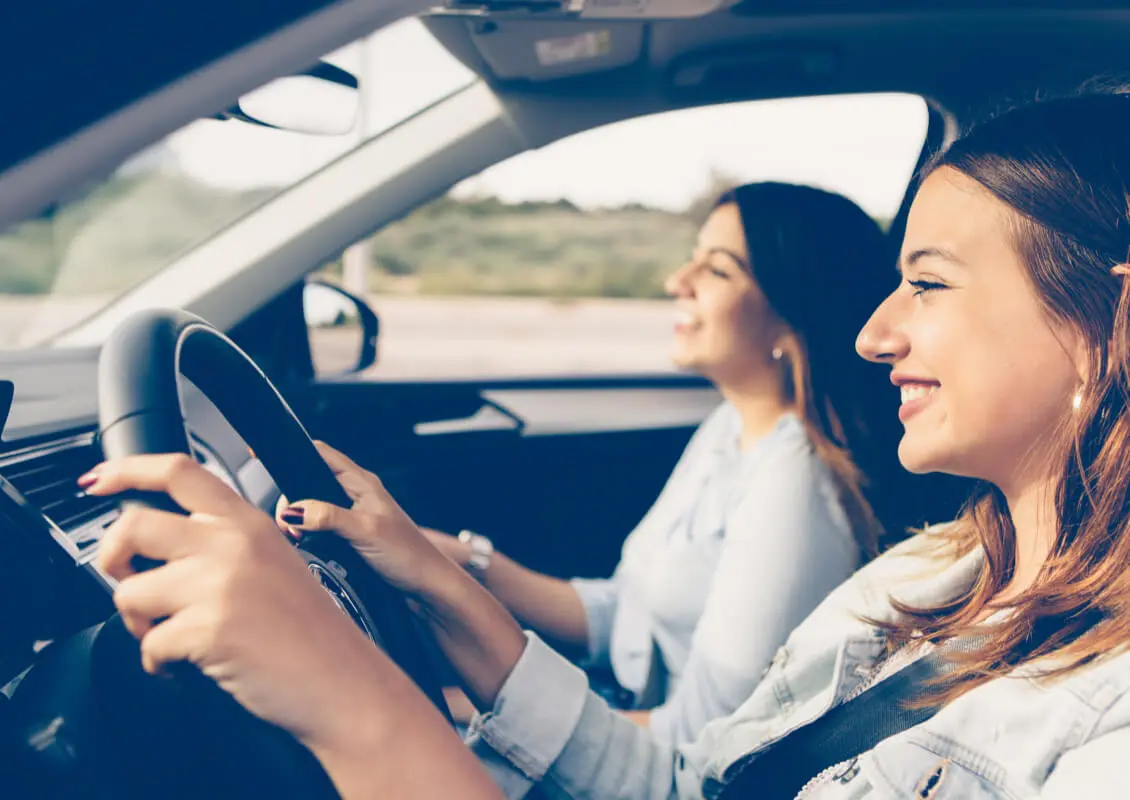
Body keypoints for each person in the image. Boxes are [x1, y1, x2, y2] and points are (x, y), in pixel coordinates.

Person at [87, 88, 1130, 798]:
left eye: (928, 282)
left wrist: (345, 696)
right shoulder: (929, 569)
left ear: (1101, 324)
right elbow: (692, 784)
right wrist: (443, 582)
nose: (873, 332)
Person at [418, 182, 898, 742]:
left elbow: (706, 738)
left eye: (717, 271)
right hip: (617, 712)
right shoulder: (731, 426)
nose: (677, 281)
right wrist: (466, 562)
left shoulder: (797, 484)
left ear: (792, 313)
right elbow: (624, 616)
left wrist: (467, 709)